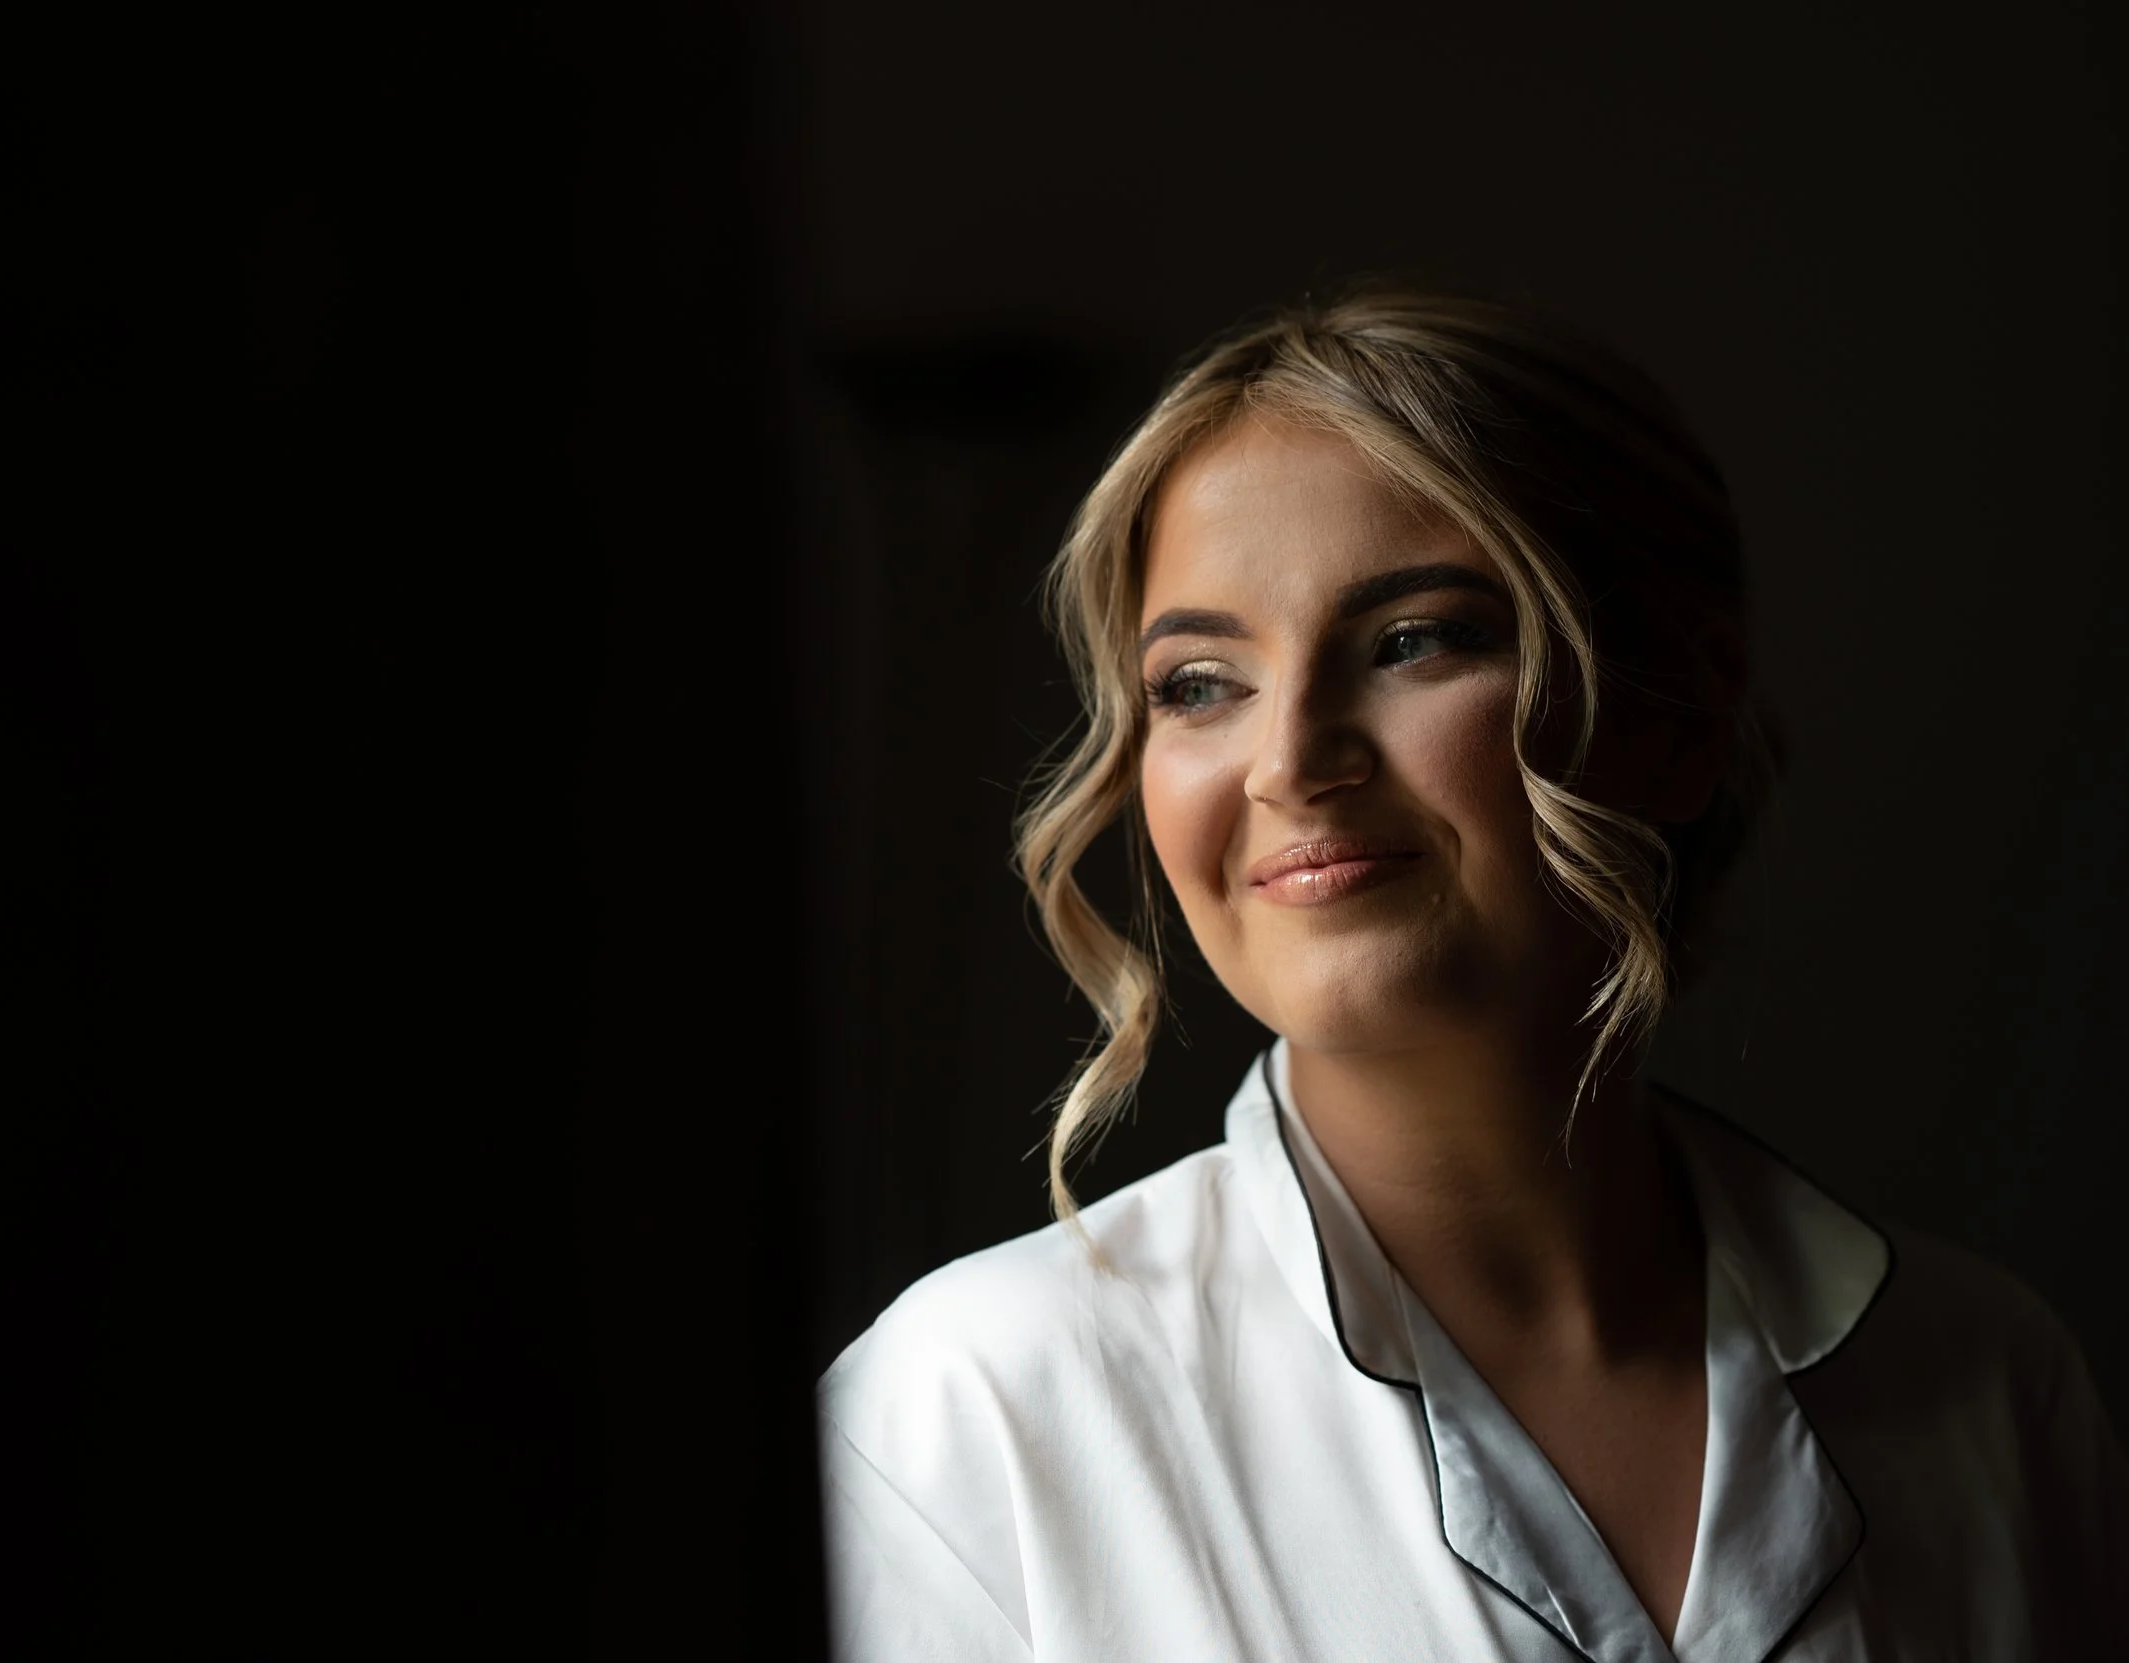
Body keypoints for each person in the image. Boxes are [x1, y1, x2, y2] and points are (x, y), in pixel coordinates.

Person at [816, 283, 2128, 1661]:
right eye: (1201, 681)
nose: (1290, 761)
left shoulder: (1989, 1388)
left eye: (1411, 641)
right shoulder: (968, 1415)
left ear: (1670, 722)